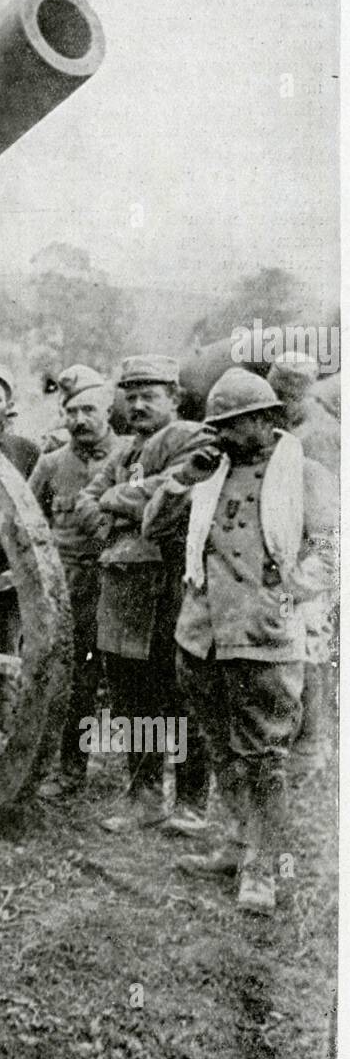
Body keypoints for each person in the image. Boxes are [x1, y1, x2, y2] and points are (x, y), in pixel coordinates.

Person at [143, 368, 337, 914]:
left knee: (265, 758)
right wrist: (182, 480)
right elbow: (152, 529)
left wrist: (292, 589)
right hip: (201, 636)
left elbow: (331, 551)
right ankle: (235, 842)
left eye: (233, 425)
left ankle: (263, 865)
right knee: (222, 748)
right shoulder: (208, 470)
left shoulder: (306, 475)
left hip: (263, 638)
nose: (221, 435)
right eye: (216, 425)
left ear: (266, 419)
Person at [74, 355, 213, 833]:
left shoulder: (191, 437)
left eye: (148, 395)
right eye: (129, 396)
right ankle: (144, 795)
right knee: (132, 696)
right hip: (120, 585)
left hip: (170, 585)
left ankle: (192, 800)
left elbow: (175, 489)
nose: (137, 405)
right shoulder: (123, 452)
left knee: (179, 693)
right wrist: (120, 511)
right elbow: (83, 503)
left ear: (172, 398)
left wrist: (119, 500)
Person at [28, 366, 129, 799]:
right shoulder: (50, 464)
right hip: (70, 588)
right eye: (71, 411)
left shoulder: (130, 455)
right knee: (75, 682)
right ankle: (70, 771)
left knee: (129, 681)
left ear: (107, 409)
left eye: (89, 409)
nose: (80, 419)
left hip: (121, 585)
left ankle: (137, 779)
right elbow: (27, 523)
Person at [266, 353, 339, 775]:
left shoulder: (319, 436)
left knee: (312, 648)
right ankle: (296, 739)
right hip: (293, 554)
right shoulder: (298, 429)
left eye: (281, 397)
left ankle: (312, 745)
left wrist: (314, 568)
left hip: (316, 556)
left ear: (297, 394)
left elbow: (327, 511)